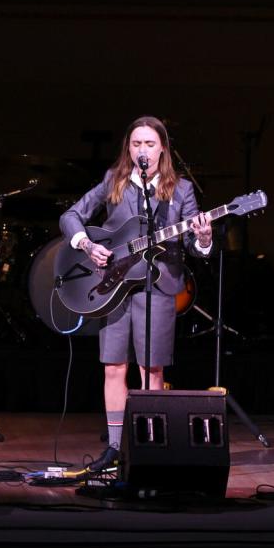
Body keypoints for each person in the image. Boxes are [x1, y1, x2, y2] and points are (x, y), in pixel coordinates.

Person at [59, 116, 213, 471]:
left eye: (149, 144)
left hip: (157, 285)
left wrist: (203, 237)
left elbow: (192, 243)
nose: (142, 150)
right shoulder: (114, 182)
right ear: (128, 148)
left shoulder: (181, 189)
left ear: (162, 149)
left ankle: (150, 444)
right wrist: (86, 245)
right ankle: (115, 448)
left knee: (150, 368)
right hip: (115, 286)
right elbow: (72, 215)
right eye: (136, 144)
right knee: (114, 367)